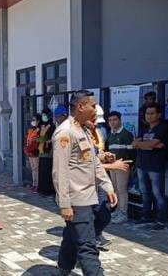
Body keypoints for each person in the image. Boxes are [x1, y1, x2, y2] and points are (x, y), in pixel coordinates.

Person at [52, 91, 117, 276]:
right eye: (92, 105)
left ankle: (64, 266)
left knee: (81, 231)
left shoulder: (84, 129)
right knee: (88, 246)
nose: (95, 109)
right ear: (81, 106)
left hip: (92, 195)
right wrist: (65, 204)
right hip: (76, 198)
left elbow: (94, 162)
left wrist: (107, 186)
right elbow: (59, 171)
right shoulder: (65, 133)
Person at [132, 104, 167, 230]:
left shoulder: (162, 128)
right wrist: (149, 145)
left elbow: (151, 143)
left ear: (159, 115)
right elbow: (134, 143)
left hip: (155, 166)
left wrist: (143, 144)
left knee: (158, 193)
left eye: (152, 113)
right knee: (145, 192)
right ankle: (146, 217)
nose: (149, 116)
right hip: (142, 165)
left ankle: (161, 220)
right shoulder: (144, 128)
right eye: (147, 113)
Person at [104, 111, 135, 224]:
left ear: (120, 120)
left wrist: (130, 166)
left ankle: (123, 213)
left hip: (123, 166)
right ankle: (117, 210)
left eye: (115, 120)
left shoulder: (127, 135)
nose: (112, 122)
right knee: (116, 189)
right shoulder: (110, 135)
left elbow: (132, 153)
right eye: (110, 120)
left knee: (122, 190)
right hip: (113, 167)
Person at [37, 108, 56, 195]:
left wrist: (47, 140)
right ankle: (41, 189)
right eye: (42, 115)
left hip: (48, 151)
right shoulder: (42, 125)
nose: (43, 116)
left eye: (45, 115)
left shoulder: (52, 126)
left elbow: (53, 138)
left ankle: (48, 190)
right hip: (41, 150)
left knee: (47, 170)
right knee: (41, 170)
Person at [23, 114, 41, 192]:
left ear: (38, 121)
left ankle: (37, 185)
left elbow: (37, 141)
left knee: (36, 169)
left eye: (34, 120)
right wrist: (26, 149)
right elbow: (26, 139)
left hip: (36, 152)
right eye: (32, 120)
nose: (33, 121)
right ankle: (34, 184)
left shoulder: (39, 130)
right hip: (30, 151)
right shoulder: (31, 130)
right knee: (33, 169)